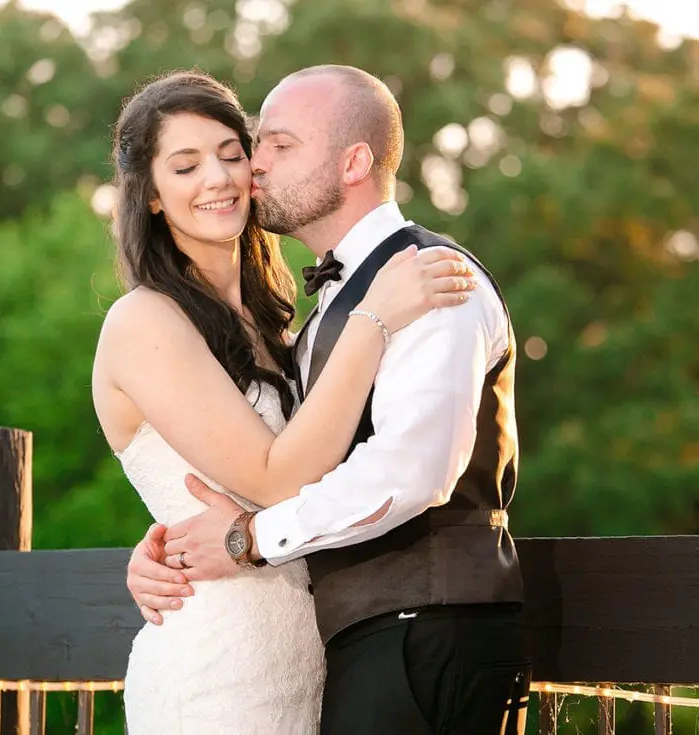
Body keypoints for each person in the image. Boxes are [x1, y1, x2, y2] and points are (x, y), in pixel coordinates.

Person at [127, 65, 530, 735]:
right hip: (353, 643)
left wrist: (250, 537)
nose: (253, 168)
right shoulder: (323, 316)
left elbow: (413, 472)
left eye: (276, 146)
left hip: (428, 633)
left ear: (354, 162)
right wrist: (167, 545)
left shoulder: (429, 279)